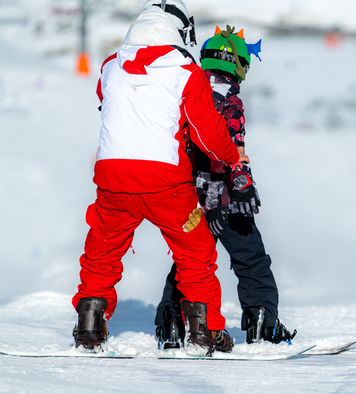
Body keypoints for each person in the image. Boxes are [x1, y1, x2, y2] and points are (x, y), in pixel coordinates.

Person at [72, 1, 245, 356]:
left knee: (102, 251)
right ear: (181, 30)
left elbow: (107, 103)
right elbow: (206, 132)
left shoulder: (110, 66)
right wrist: (232, 157)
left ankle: (90, 326)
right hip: (166, 181)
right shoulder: (185, 70)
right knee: (195, 251)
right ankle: (204, 332)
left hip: (113, 177)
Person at [154, 26, 296, 349]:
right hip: (228, 202)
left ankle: (172, 323)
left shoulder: (188, 94)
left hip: (189, 198)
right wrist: (238, 186)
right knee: (252, 260)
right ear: (236, 65)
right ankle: (263, 323)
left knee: (189, 262)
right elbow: (229, 148)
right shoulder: (230, 103)